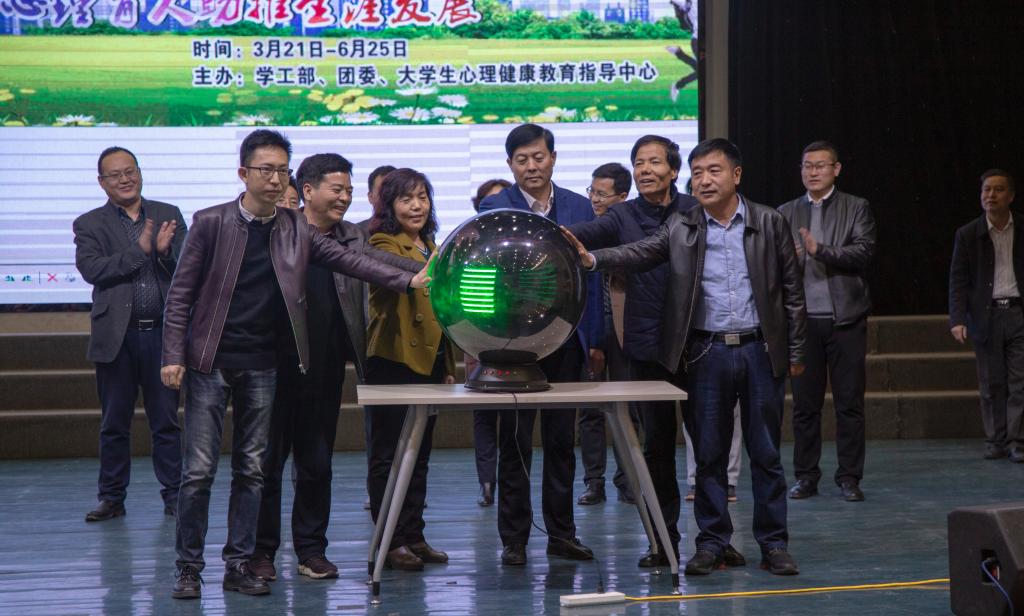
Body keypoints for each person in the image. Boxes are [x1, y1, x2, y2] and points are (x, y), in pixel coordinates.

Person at [161, 130, 431, 600]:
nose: (274, 178)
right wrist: (172, 355)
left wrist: (409, 280)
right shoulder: (210, 222)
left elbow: (353, 262)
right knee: (199, 471)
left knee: (253, 470)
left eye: (281, 170)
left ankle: (240, 563)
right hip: (210, 361)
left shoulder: (294, 228)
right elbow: (180, 294)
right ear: (243, 173)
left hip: (264, 364)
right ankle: (188, 568)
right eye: (266, 170)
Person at [564, 138, 806, 576]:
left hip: (758, 349)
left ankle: (773, 545)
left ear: (736, 175)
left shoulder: (769, 221)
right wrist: (591, 260)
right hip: (706, 352)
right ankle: (712, 543)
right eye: (699, 173)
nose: (705, 180)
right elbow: (641, 252)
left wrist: (795, 351)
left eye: (714, 171)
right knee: (708, 454)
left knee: (766, 453)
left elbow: (792, 290)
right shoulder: (684, 224)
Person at [250, 154, 422, 583]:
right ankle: (261, 553)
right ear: (307, 191)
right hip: (272, 367)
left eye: (349, 190)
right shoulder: (277, 230)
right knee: (266, 466)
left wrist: (426, 270)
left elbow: (381, 263)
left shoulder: (352, 236)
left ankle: (312, 551)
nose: (345, 198)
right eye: (337, 189)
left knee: (316, 464)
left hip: (324, 370)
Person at [568, 137, 698, 566]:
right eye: (638, 162)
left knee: (708, 446)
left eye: (654, 162)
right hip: (647, 346)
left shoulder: (694, 210)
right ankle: (663, 541)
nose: (644, 169)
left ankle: (715, 541)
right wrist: (557, 233)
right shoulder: (622, 214)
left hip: (697, 345)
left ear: (674, 171)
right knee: (657, 447)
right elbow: (588, 233)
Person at [478, 123, 604, 566]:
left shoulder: (579, 206)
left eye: (538, 157)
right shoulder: (496, 206)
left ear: (553, 158)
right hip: (512, 343)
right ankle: (514, 539)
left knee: (561, 443)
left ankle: (561, 534)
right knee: (514, 444)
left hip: (566, 341)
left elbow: (591, 279)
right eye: (521, 160)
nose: (531, 166)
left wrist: (595, 339)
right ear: (510, 164)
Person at [74, 146, 186, 522]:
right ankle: (111, 498)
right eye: (115, 175)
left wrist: (165, 253)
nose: (125, 179)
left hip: (162, 336)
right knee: (114, 424)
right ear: (102, 182)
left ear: (139, 172)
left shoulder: (168, 214)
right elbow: (93, 270)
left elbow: (188, 267)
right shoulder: (89, 224)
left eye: (130, 171)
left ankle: (175, 495)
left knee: (166, 421)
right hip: (116, 339)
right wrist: (141, 251)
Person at [365, 168, 457, 571]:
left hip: (430, 362)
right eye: (406, 199)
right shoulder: (382, 242)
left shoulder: (431, 244)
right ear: (390, 205)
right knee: (389, 455)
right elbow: (401, 275)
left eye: (422, 197)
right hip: (393, 358)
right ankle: (390, 540)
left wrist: (447, 365)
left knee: (419, 455)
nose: (417, 206)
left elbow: (443, 311)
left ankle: (414, 534)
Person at [778, 141, 876, 501]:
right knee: (805, 407)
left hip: (845, 319)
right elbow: (773, 263)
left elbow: (864, 251)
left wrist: (821, 251)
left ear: (836, 169)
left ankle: (849, 477)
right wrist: (790, 258)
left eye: (820, 166)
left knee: (849, 404)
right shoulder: (786, 211)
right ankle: (806, 476)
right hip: (802, 323)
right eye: (807, 166)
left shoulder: (856, 207)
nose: (813, 172)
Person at [950, 169, 1024, 463]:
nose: (991, 195)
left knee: (1020, 382)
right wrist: (957, 319)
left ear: (1011, 196)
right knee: (991, 383)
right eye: (986, 190)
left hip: (1018, 313)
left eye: (998, 189)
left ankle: (1017, 441)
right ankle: (995, 440)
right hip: (986, 316)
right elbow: (958, 279)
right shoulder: (968, 234)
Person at [576, 162, 634, 507]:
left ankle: (627, 479)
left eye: (602, 194)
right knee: (590, 412)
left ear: (622, 197)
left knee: (628, 409)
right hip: (590, 331)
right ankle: (593, 482)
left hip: (625, 333)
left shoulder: (631, 231)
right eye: (592, 192)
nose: (595, 199)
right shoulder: (585, 230)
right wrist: (592, 340)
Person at [468, 178, 513, 508]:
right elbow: (472, 303)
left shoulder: (525, 249)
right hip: (480, 342)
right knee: (483, 416)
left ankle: (506, 481)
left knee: (512, 418)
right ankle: (486, 482)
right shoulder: (473, 249)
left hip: (520, 346)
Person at [667, 0, 699, 103]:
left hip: (705, 40)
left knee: (701, 70)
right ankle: (677, 85)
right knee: (702, 71)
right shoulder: (689, 2)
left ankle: (678, 53)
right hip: (697, 40)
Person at [357, 164, 397, 232]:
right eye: (382, 192)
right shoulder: (357, 232)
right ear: (370, 197)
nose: (388, 198)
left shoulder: (414, 230)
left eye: (393, 192)